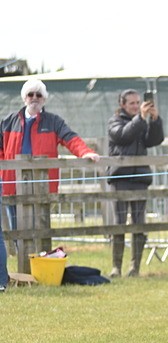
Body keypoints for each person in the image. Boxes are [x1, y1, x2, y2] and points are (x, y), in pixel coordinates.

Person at [2, 78, 102, 287]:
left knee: (41, 228)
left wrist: (86, 152)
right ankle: (24, 273)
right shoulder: (9, 121)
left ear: (44, 99)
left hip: (43, 186)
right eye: (31, 95)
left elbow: (71, 139)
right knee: (17, 231)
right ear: (24, 97)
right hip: (12, 185)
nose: (35, 99)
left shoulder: (53, 121)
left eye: (39, 95)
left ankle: (42, 273)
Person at [106, 89, 165, 278]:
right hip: (120, 178)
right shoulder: (115, 121)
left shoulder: (140, 122)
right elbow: (123, 136)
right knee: (120, 223)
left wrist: (155, 121)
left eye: (138, 102)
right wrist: (141, 118)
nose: (136, 105)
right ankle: (116, 266)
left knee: (139, 224)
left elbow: (154, 140)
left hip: (140, 179)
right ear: (122, 104)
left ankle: (135, 268)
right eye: (132, 103)